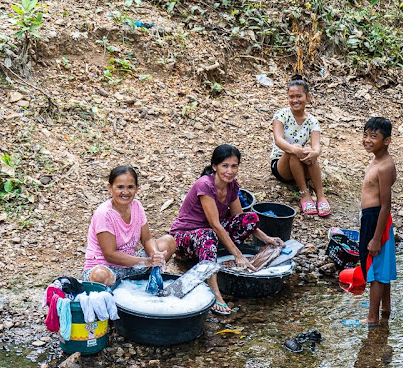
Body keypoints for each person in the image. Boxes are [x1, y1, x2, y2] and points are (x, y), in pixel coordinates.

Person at [170, 144, 284, 315]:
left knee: (250, 217)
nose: (229, 171)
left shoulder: (232, 186)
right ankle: (215, 294)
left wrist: (267, 239)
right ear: (214, 166)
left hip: (210, 236)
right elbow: (215, 225)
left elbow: (240, 218)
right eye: (225, 166)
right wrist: (238, 255)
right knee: (208, 234)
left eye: (234, 166)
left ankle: (214, 253)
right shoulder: (205, 185)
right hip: (184, 239)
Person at [83, 166, 177, 286]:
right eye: (120, 187)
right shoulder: (105, 214)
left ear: (137, 188)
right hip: (107, 267)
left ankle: (144, 282)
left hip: (131, 265)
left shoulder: (136, 206)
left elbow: (147, 239)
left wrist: (155, 255)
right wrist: (146, 261)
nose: (125, 192)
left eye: (130, 187)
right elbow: (110, 255)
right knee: (100, 276)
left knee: (168, 242)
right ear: (110, 188)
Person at [345, 117, 397, 327]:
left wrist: (376, 238)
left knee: (374, 268)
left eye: (373, 136)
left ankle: (372, 318)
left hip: (376, 218)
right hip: (371, 217)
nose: (367, 140)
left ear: (387, 141)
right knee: (380, 265)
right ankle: (385, 308)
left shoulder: (384, 166)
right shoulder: (376, 160)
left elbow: (386, 205)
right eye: (365, 135)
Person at [271, 74, 331, 216]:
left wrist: (314, 153)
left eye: (299, 96)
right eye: (291, 97)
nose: (295, 100)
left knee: (309, 150)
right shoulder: (281, 115)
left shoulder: (312, 121)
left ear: (307, 97)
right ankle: (305, 194)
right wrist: (295, 150)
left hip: (302, 164)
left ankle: (320, 195)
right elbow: (279, 140)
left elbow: (317, 147)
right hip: (281, 165)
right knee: (296, 149)